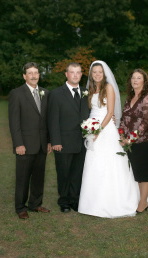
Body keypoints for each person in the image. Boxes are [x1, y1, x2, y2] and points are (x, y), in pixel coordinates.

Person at [78, 61, 140, 218]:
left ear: (104, 74)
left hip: (105, 129)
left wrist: (99, 130)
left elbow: (110, 111)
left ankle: (112, 202)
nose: (97, 74)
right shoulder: (90, 89)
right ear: (91, 74)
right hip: (92, 127)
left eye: (100, 72)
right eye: (94, 72)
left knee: (108, 163)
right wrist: (90, 128)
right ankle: (91, 203)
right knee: (94, 163)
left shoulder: (108, 88)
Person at [8, 62, 52, 220]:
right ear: (24, 76)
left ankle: (35, 203)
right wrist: (18, 143)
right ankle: (20, 207)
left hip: (41, 144)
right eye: (30, 73)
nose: (34, 75)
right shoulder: (17, 93)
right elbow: (14, 122)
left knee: (39, 176)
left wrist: (48, 141)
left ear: (39, 75)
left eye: (36, 72)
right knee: (23, 177)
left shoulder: (46, 93)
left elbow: (47, 120)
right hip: (24, 145)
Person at [48, 62, 90, 213]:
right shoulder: (56, 94)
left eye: (78, 72)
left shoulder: (86, 92)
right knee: (64, 173)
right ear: (66, 74)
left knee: (77, 173)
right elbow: (52, 120)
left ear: (81, 74)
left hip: (82, 142)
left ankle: (75, 200)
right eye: (72, 72)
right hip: (64, 142)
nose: (75, 75)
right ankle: (64, 201)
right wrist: (55, 141)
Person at [120, 69, 148, 213]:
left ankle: (143, 202)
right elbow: (124, 118)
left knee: (144, 173)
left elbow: (146, 122)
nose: (135, 80)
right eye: (133, 78)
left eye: (139, 78)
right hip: (129, 142)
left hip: (144, 141)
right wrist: (122, 135)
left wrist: (130, 139)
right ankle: (139, 198)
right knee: (136, 172)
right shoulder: (129, 98)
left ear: (144, 81)